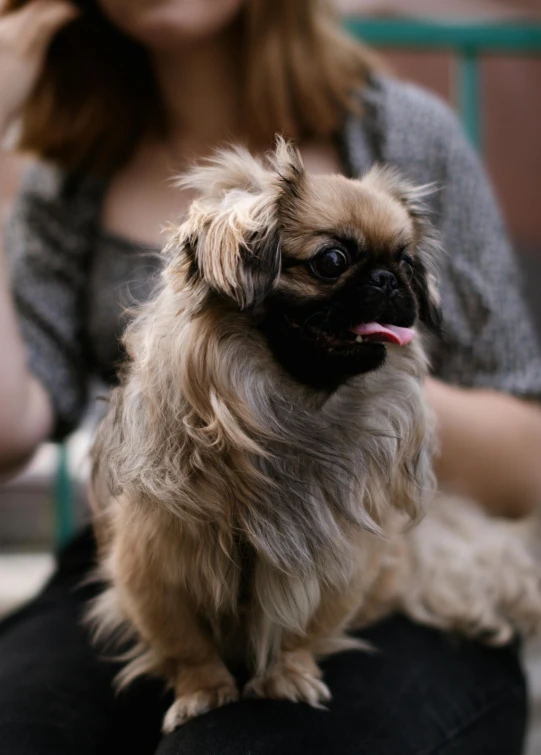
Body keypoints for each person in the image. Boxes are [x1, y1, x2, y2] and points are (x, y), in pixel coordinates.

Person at [0, 0, 540, 753]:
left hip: (387, 567)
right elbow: (10, 426)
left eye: (394, 269)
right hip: (164, 555)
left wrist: (336, 404)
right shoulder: (73, 167)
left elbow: (527, 458)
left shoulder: (405, 131)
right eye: (330, 263)